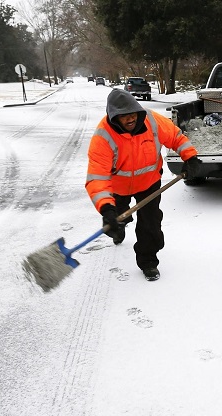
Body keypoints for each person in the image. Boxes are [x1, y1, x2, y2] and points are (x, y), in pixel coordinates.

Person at [85, 89, 201, 281]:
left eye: (132, 114)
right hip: (118, 187)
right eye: (123, 117)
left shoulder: (152, 121)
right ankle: (120, 226)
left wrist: (190, 156)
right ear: (114, 118)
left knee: (151, 224)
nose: (130, 119)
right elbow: (97, 177)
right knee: (118, 217)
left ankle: (148, 261)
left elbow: (175, 137)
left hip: (149, 182)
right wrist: (106, 209)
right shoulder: (103, 137)